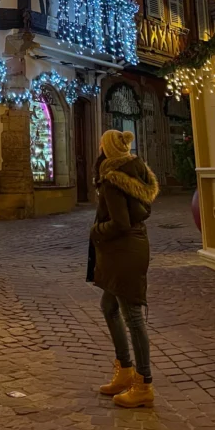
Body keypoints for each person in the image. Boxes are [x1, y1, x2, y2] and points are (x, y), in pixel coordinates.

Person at [87, 128, 159, 409]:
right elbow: (142, 212)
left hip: (123, 252)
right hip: (134, 247)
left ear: (107, 149)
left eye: (100, 144)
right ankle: (125, 369)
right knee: (109, 307)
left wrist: (96, 230)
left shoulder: (113, 180)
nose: (98, 148)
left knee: (132, 316)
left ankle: (143, 383)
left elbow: (120, 223)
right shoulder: (137, 172)